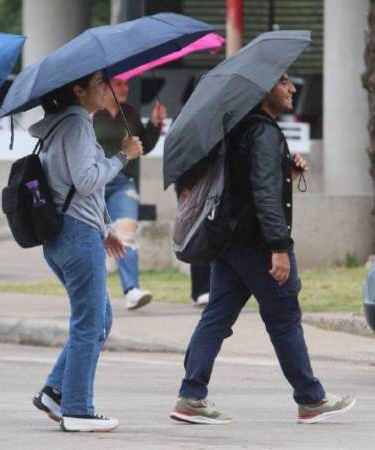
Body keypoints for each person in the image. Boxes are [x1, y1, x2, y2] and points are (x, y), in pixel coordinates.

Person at [170, 73, 356, 425]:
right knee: (284, 320)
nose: (292, 88)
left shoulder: (238, 128)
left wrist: (284, 166)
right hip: (258, 246)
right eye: (284, 82)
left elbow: (247, 181)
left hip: (230, 243)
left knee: (216, 318)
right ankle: (311, 398)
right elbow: (265, 195)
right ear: (262, 90)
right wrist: (279, 247)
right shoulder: (264, 132)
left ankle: (191, 395)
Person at [30, 71, 143, 432]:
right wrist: (123, 157)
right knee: (89, 322)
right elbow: (88, 180)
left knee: (99, 319)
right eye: (99, 85)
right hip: (77, 236)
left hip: (68, 234)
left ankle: (55, 391)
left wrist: (107, 228)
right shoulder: (77, 125)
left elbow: (77, 189)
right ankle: (77, 408)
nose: (106, 90)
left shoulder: (59, 125)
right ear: (77, 90)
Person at [93, 77, 166, 310]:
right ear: (105, 87)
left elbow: (144, 145)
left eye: (126, 84)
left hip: (124, 183)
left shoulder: (130, 113)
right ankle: (94, 292)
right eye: (119, 84)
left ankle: (132, 289)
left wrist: (155, 123)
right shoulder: (92, 114)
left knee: (127, 233)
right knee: (94, 240)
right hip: (95, 185)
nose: (125, 88)